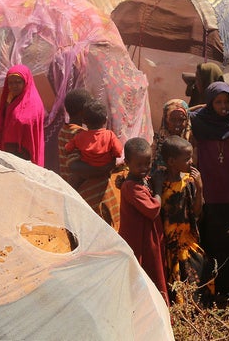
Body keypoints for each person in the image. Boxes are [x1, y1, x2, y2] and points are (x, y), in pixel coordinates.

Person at [190, 81, 229, 301]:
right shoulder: (199, 122)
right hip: (211, 194)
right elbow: (180, 110)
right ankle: (217, 291)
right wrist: (198, 107)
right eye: (218, 102)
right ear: (209, 103)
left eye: (227, 101)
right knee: (214, 243)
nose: (224, 106)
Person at [58, 89, 121, 228]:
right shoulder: (80, 135)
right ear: (83, 113)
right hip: (91, 197)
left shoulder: (65, 130)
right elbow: (77, 168)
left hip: (79, 196)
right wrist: (108, 165)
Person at [118, 137, 169, 304]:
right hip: (142, 242)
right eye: (139, 165)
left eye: (147, 163)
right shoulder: (132, 187)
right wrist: (159, 188)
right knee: (150, 275)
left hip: (148, 237)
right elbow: (153, 209)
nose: (144, 168)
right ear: (127, 162)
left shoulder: (141, 180)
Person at [161, 135, 206, 296]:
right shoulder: (159, 183)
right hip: (168, 247)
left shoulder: (189, 182)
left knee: (194, 286)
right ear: (172, 161)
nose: (191, 162)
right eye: (186, 159)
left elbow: (196, 212)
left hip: (188, 243)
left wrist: (200, 188)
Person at [0, 64, 45, 166]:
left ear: (26, 82)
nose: (14, 86)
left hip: (24, 152)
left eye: (18, 82)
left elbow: (25, 122)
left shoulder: (33, 102)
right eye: (10, 83)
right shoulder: (9, 99)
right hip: (9, 150)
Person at [63, 101, 123, 189]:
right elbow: (118, 153)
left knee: (73, 175)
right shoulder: (110, 135)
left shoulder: (80, 136)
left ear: (83, 121)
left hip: (86, 172)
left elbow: (67, 149)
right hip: (105, 171)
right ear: (105, 120)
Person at [149, 98, 191, 199]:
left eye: (181, 120)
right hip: (159, 192)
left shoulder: (192, 140)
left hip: (184, 191)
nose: (177, 124)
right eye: (173, 119)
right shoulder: (156, 142)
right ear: (166, 120)